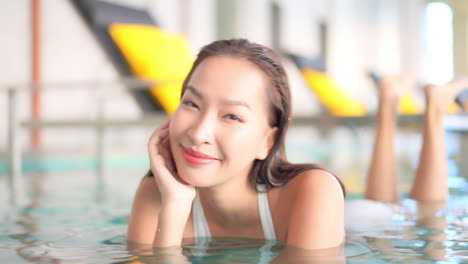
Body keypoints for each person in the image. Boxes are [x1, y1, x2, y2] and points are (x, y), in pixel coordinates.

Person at [127, 38, 346, 253]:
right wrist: (174, 207)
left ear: (268, 141)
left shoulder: (313, 191)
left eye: (232, 116)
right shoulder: (159, 192)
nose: (198, 133)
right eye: (191, 103)